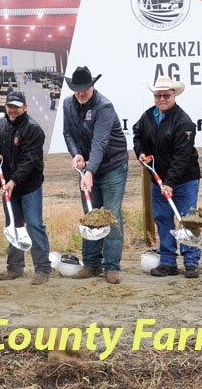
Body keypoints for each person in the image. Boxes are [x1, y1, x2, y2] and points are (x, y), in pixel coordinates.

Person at [62, 66, 128, 284]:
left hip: (112, 167)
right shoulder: (68, 105)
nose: (81, 93)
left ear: (93, 86)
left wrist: (89, 172)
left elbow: (100, 142)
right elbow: (68, 133)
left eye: (85, 89)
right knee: (90, 214)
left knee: (111, 216)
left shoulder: (104, 106)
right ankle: (91, 264)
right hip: (88, 167)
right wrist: (76, 153)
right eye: (77, 89)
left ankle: (112, 267)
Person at [0, 91, 52, 285]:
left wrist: (14, 181)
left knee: (34, 224)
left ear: (25, 108)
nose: (13, 110)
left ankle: (43, 269)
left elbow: (30, 161)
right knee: (13, 225)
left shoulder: (33, 129)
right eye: (10, 106)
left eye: (17, 107)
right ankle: (14, 268)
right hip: (7, 186)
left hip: (29, 186)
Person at [132, 75, 201, 278]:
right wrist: (141, 152)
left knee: (188, 220)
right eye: (158, 95)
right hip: (158, 178)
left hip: (185, 179)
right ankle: (168, 262)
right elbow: (137, 134)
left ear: (174, 95)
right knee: (163, 219)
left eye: (166, 95)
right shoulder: (147, 117)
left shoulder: (183, 122)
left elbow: (182, 156)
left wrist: (170, 183)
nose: (162, 98)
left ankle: (191, 262)